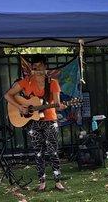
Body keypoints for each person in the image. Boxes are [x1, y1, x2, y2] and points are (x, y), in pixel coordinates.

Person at [5, 54, 65, 191]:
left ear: (44, 66)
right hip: (33, 122)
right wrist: (20, 106)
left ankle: (57, 181)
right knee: (38, 152)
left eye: (39, 66)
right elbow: (7, 95)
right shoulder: (26, 82)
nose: (36, 69)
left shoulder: (53, 83)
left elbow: (56, 103)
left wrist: (61, 105)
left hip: (50, 120)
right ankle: (42, 182)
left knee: (53, 151)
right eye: (34, 67)